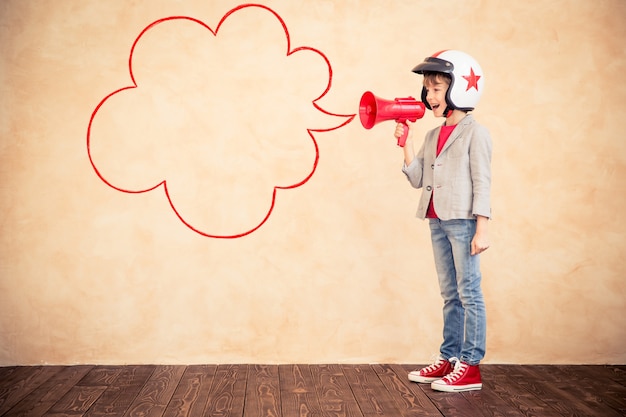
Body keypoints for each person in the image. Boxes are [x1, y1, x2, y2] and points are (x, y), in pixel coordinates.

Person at [397, 50, 492, 392]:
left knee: (469, 293)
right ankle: (449, 357)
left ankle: (470, 365)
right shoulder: (432, 135)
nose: (429, 96)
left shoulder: (475, 134)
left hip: (464, 223)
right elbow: (417, 178)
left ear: (459, 91)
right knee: (450, 293)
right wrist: (405, 143)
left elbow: (483, 182)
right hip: (436, 219)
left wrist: (482, 228)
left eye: (436, 89)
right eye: (428, 89)